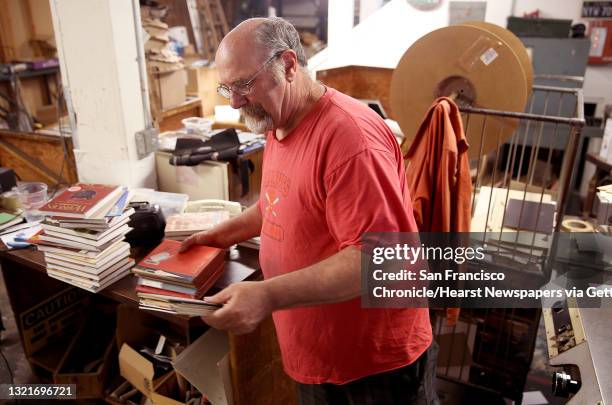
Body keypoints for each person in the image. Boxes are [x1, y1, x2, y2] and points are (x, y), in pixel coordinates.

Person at [180, 17, 439, 405]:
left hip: (372, 367)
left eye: (243, 84)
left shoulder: (350, 139)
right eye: (226, 88)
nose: (234, 101)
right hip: (318, 356)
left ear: (287, 65)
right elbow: (276, 206)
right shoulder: (276, 121)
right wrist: (218, 235)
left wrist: (266, 296)